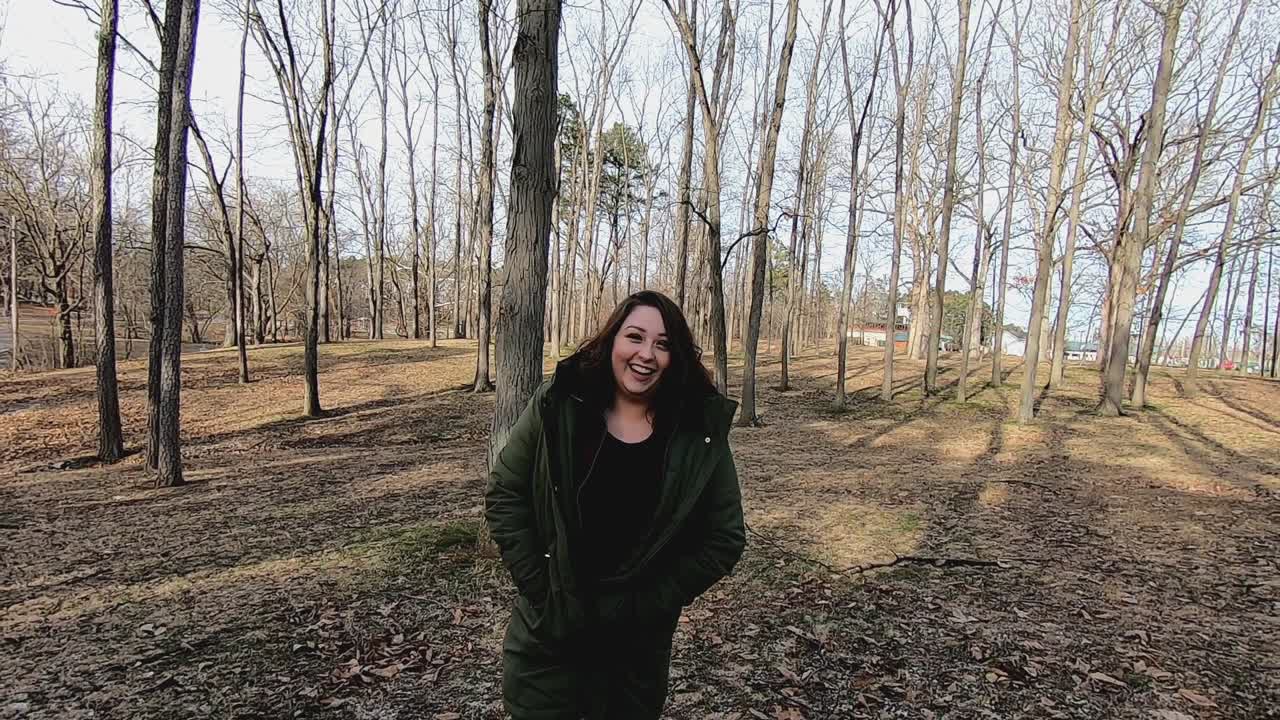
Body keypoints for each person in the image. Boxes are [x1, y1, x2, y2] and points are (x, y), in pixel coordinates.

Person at [485, 290, 746, 720]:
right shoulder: (560, 403)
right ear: (612, 340)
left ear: (675, 356)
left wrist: (654, 602)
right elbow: (505, 492)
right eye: (635, 337)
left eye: (662, 344)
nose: (646, 354)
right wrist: (541, 587)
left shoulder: (694, 431)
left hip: (635, 656)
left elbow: (725, 537)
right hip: (550, 645)